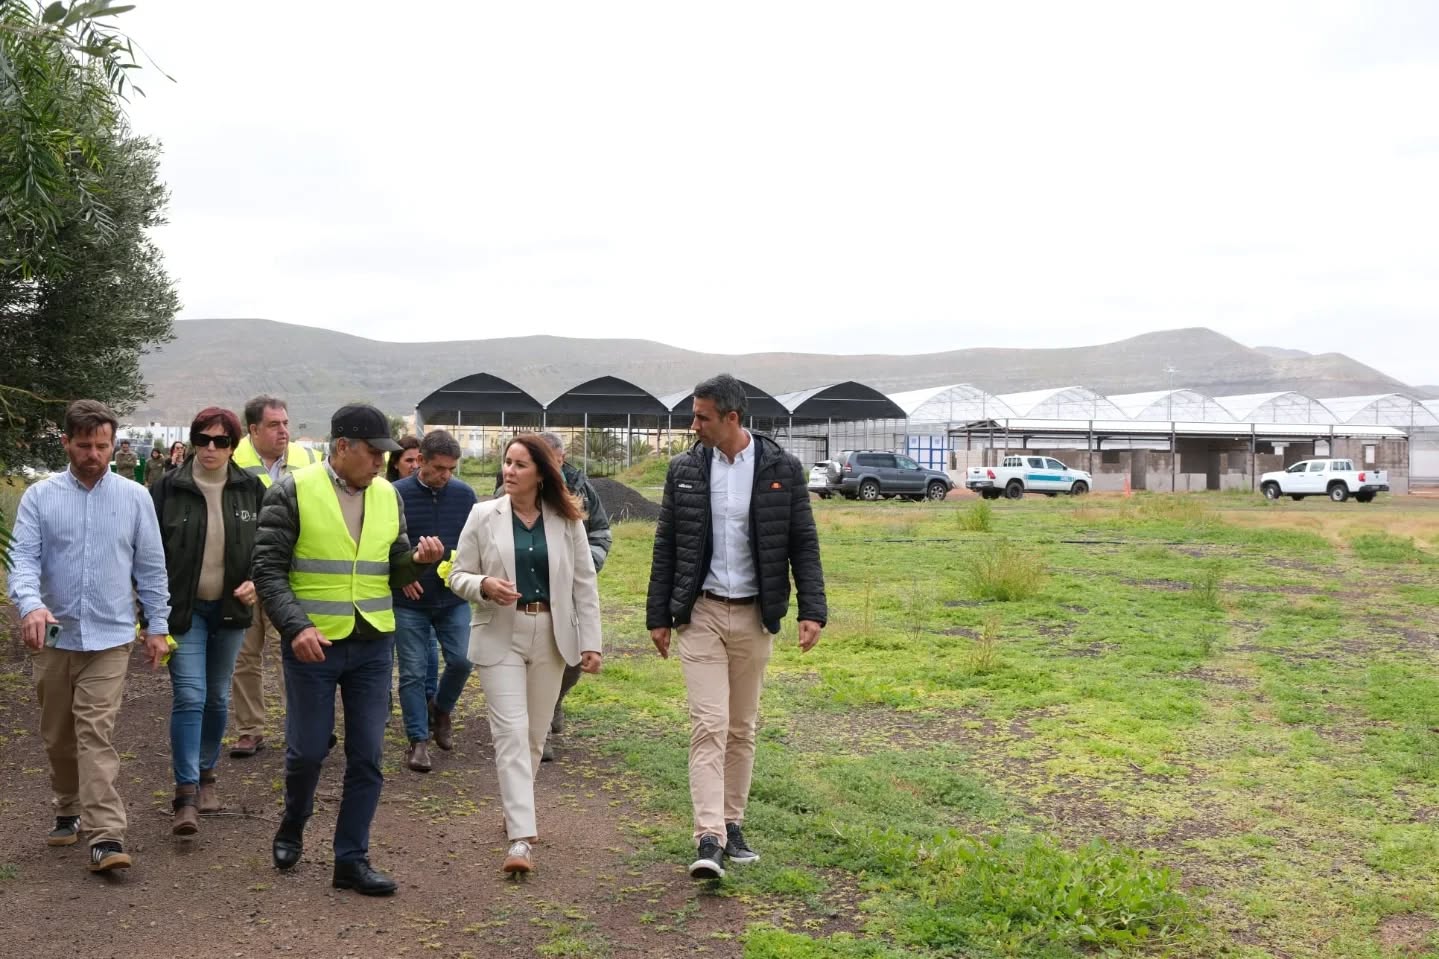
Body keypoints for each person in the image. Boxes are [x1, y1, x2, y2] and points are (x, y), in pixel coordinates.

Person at [251, 403, 443, 895]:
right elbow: (268, 570)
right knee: (309, 751)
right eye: (374, 453)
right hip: (313, 644)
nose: (382, 462)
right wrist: (296, 628)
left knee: (367, 757)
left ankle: (350, 859)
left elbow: (392, 567)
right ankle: (294, 821)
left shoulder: (387, 496)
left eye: (386, 454)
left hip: (374, 643)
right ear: (342, 447)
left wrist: (417, 563)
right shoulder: (292, 491)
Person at [646, 374, 827, 880]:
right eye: (693, 415)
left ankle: (732, 821)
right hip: (701, 613)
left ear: (732, 417)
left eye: (702, 416)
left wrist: (813, 608)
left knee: (742, 726)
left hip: (754, 615)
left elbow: (802, 543)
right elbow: (666, 543)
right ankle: (709, 837)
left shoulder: (780, 469)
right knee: (709, 725)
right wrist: (658, 615)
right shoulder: (684, 469)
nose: (693, 424)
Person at [7, 400, 171, 873]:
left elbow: (151, 566)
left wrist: (156, 625)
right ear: (65, 443)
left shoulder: (135, 497)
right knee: (58, 735)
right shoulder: (40, 497)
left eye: (103, 445)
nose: (94, 454)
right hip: (54, 636)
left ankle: (106, 835)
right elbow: (23, 560)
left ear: (114, 445)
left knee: (94, 732)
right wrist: (30, 604)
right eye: (85, 445)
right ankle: (67, 806)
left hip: (111, 636)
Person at [448, 434, 602, 874]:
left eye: (519, 465)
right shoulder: (482, 515)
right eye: (506, 463)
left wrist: (591, 642)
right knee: (511, 734)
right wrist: (483, 586)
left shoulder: (567, 520)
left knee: (534, 736)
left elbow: (583, 584)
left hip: (551, 634)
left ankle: (516, 807)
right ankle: (520, 839)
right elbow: (457, 574)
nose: (508, 472)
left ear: (540, 473)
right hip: (499, 634)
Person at [151, 407, 266, 836]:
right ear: (193, 441)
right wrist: (150, 614)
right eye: (203, 439)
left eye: (221, 441)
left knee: (218, 697)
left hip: (232, 612)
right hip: (184, 611)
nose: (211, 448)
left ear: (234, 445)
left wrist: (257, 581)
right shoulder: (167, 488)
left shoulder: (252, 489)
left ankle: (206, 773)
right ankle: (185, 794)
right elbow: (148, 552)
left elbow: (271, 548)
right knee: (190, 696)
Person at [229, 394, 319, 758]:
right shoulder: (232, 461)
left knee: (295, 652)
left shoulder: (309, 460)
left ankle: (305, 727)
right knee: (245, 656)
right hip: (243, 579)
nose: (283, 431)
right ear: (253, 429)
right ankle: (250, 730)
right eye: (273, 424)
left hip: (290, 575)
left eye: (285, 423)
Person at [392, 430, 476, 772]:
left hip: (453, 597)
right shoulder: (394, 494)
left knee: (463, 660)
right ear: (421, 461)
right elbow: (381, 543)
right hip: (409, 601)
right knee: (412, 672)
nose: (445, 475)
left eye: (451, 469)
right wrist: (401, 576)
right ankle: (418, 740)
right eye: (439, 468)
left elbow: (474, 542)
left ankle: (440, 708)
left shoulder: (464, 495)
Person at [532, 432, 611, 762]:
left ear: (561, 459)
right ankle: (541, 729)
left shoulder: (581, 489)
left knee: (574, 659)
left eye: (550, 459)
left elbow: (601, 533)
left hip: (571, 590)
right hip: (531, 589)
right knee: (537, 659)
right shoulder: (516, 487)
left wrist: (588, 563)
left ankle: (554, 702)